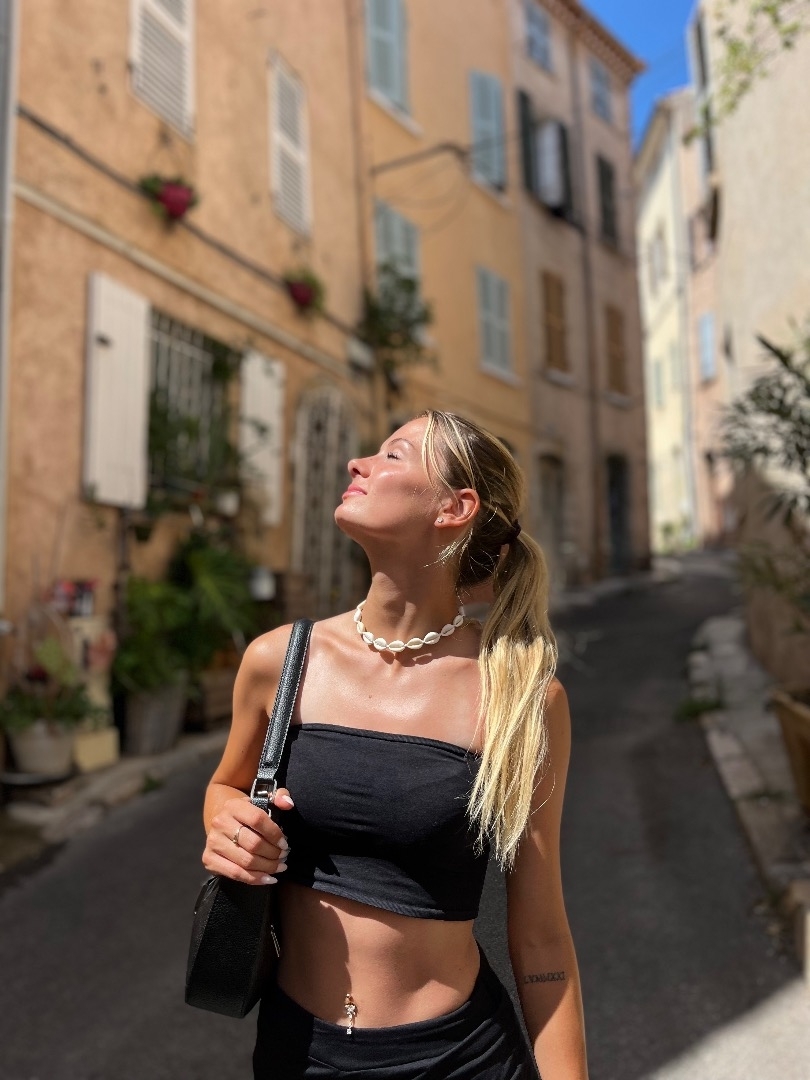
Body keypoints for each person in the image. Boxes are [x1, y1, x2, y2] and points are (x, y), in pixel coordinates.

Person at [202, 410, 588, 1079]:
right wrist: (225, 822)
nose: (359, 463)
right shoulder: (279, 661)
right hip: (297, 1055)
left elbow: (542, 936)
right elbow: (226, 787)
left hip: (462, 1059)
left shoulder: (521, 696)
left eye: (394, 455)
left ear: (454, 508)